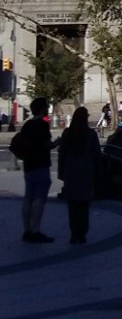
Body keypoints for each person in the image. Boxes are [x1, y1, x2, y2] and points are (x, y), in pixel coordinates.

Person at [57, 106, 103, 245]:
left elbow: (62, 154)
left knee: (73, 205)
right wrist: (98, 172)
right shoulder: (91, 135)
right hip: (86, 172)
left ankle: (74, 232)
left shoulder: (67, 133)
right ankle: (82, 232)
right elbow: (97, 155)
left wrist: (61, 172)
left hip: (71, 172)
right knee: (84, 205)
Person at [17, 96, 59, 244]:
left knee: (28, 197)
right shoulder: (42, 125)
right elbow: (47, 145)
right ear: (43, 109)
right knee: (39, 198)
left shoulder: (28, 124)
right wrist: (57, 143)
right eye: (46, 107)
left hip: (28, 164)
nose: (48, 109)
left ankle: (27, 229)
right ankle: (36, 230)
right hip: (41, 164)